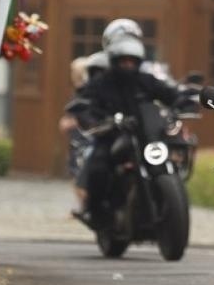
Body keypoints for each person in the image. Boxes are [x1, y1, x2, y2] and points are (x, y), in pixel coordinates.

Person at [77, 33, 180, 230]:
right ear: (114, 61)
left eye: (132, 61)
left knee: (173, 155)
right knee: (98, 167)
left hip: (146, 136)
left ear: (138, 61)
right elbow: (84, 104)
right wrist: (94, 120)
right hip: (111, 136)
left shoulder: (146, 80)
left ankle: (165, 207)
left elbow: (170, 93)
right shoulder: (101, 83)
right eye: (123, 61)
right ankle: (96, 212)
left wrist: (183, 102)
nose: (128, 65)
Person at [60, 52, 109, 219]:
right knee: (76, 171)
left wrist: (71, 122)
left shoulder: (90, 91)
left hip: (87, 137)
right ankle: (84, 207)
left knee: (82, 171)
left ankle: (87, 206)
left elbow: (89, 116)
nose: (72, 75)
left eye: (74, 71)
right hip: (78, 138)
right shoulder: (81, 92)